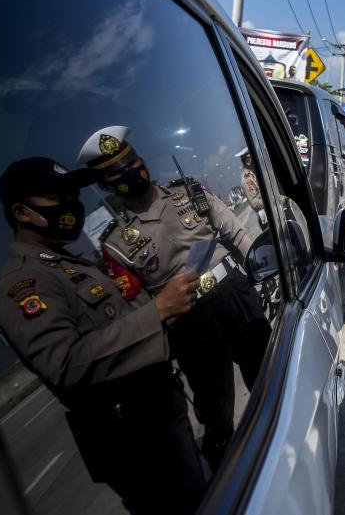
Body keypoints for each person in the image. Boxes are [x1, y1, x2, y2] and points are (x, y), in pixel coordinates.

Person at [0, 157, 206, 514]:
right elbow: (67, 363)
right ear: (22, 213)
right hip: (135, 442)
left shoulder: (66, 263)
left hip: (157, 417)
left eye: (72, 193)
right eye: (57, 196)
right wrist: (158, 311)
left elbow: (115, 322)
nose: (71, 203)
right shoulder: (23, 282)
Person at [76, 126, 272, 472]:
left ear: (142, 161)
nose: (131, 173)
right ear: (105, 186)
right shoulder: (115, 242)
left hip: (235, 296)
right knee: (218, 409)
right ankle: (225, 472)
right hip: (190, 323)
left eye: (132, 162)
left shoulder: (191, 192)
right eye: (117, 173)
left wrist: (267, 271)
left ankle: (276, 443)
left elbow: (236, 234)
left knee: (267, 378)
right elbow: (135, 303)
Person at [236, 147, 268, 230]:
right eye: (252, 156)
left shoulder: (257, 171)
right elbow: (255, 203)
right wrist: (272, 200)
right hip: (267, 218)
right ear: (247, 161)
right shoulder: (247, 179)